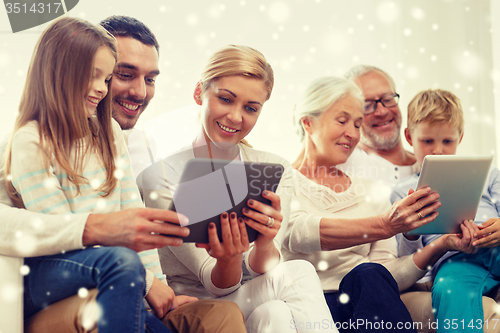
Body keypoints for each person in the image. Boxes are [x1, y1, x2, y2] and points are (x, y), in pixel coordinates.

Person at [1, 15, 245, 333]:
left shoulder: (110, 132)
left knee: (203, 313)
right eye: (103, 76)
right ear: (58, 72)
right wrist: (147, 284)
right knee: (121, 262)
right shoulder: (29, 141)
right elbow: (64, 234)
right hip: (55, 268)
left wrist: (159, 288)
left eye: (105, 79)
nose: (100, 89)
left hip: (115, 272)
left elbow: (133, 211)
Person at [139, 45, 336, 333]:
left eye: (250, 108)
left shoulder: (272, 168)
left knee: (276, 312)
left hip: (251, 296)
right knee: (298, 272)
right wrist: (229, 258)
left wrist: (267, 242)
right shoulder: (161, 175)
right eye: (225, 99)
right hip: (197, 305)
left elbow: (262, 270)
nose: (235, 117)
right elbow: (213, 282)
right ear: (199, 93)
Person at [283, 77, 476, 333]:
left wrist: (441, 244)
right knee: (368, 275)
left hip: (363, 306)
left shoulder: (372, 191)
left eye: (357, 124)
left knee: (370, 274)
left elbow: (387, 275)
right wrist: (385, 225)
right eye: (342, 121)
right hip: (307, 307)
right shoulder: (282, 178)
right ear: (308, 122)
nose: (352, 134)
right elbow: (296, 231)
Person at [391, 89, 500, 333]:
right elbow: (407, 257)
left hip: (496, 245)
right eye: (427, 141)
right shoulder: (402, 192)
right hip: (455, 259)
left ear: (460, 138)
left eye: (447, 141)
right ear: (409, 137)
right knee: (450, 289)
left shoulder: (489, 174)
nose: (438, 150)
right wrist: (410, 232)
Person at [339, 65, 418, 187]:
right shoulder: (344, 166)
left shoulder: (427, 164)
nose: (382, 112)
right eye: (367, 105)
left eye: (387, 99)